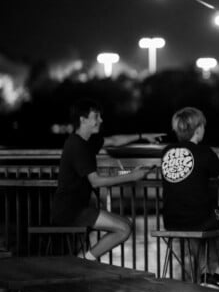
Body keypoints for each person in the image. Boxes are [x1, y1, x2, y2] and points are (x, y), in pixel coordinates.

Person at [52, 99, 163, 260]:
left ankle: (85, 258)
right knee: (124, 228)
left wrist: (143, 136)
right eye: (96, 117)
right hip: (70, 211)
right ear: (83, 120)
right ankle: (84, 260)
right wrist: (132, 175)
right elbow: (96, 181)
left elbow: (114, 140)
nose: (101, 120)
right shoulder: (78, 146)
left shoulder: (87, 141)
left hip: (77, 208)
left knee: (127, 223)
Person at [160, 107, 219, 286]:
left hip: (171, 221)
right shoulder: (204, 153)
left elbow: (191, 162)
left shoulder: (167, 151)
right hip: (200, 219)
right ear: (198, 129)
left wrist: (213, 158)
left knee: (201, 230)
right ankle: (214, 275)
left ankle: (201, 275)